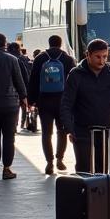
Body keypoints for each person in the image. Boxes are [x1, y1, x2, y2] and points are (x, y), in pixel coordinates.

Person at [60, 39, 110, 174]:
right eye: (97, 57)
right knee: (85, 168)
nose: (102, 61)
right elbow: (66, 104)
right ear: (87, 55)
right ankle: (86, 194)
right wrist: (69, 128)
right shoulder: (76, 74)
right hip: (83, 132)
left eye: (105, 57)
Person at [27, 35, 76, 176]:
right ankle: (59, 158)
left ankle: (49, 162)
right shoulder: (67, 59)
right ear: (60, 44)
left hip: (44, 101)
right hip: (63, 101)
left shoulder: (40, 58)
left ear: (49, 44)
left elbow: (33, 80)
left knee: (46, 133)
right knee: (62, 131)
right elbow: (73, 82)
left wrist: (32, 100)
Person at [0, 34, 28, 179]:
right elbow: (19, 81)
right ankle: (7, 169)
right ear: (5, 44)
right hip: (9, 105)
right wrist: (24, 98)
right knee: (9, 138)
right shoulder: (12, 59)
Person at [7, 43, 31, 130]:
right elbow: (25, 75)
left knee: (15, 108)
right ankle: (22, 123)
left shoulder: (6, 58)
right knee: (22, 107)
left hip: (8, 89)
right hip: (20, 88)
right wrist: (26, 93)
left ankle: (15, 124)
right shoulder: (22, 59)